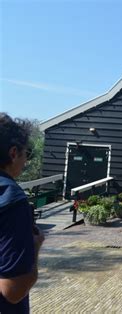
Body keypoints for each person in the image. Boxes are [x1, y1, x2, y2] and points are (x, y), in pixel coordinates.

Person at [0, 113, 45, 312]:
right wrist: (34, 248)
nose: (26, 161)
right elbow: (13, 291)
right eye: (26, 153)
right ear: (13, 153)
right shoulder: (11, 199)